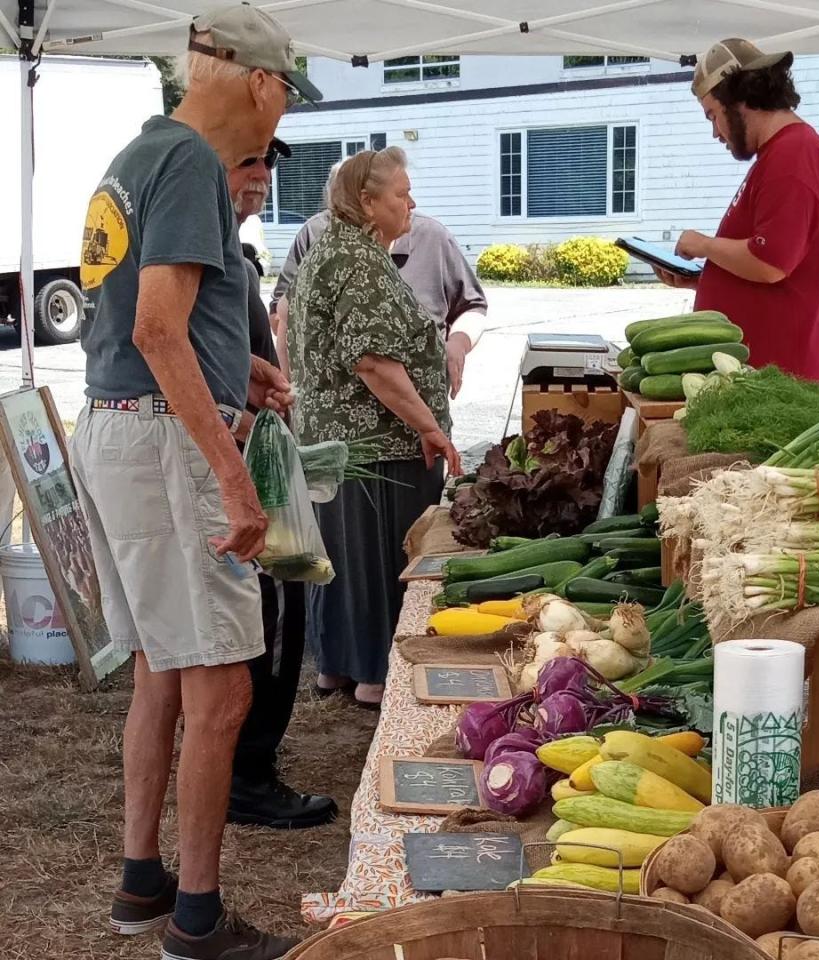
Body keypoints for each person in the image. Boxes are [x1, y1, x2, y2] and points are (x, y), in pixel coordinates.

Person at [71, 6, 322, 959]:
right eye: (287, 90)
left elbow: (146, 324)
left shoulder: (137, 156)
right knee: (221, 692)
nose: (281, 113)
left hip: (115, 425)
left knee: (162, 673)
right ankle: (198, 922)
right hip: (169, 444)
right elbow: (156, 327)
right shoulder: (189, 163)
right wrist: (234, 473)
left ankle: (143, 883)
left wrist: (236, 365)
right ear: (261, 83)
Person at [286, 148, 462, 708]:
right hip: (376, 448)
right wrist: (430, 426)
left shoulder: (330, 250)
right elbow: (373, 363)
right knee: (377, 558)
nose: (411, 203)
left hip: (335, 440)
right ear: (367, 202)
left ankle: (336, 665)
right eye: (400, 194)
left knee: (340, 554)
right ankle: (374, 673)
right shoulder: (358, 260)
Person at [225, 138, 338, 830]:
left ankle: (247, 766)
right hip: (236, 467)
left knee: (272, 623)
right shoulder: (207, 262)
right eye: (247, 161)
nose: (262, 175)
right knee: (264, 628)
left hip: (254, 453)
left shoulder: (235, 259)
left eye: (269, 163)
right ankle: (247, 774)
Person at [656, 39, 819, 385]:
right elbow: (773, 259)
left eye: (713, 115)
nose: (715, 132)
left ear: (741, 99)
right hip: (762, 382)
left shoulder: (794, 156)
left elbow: (770, 262)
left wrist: (704, 245)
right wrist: (703, 278)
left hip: (778, 385)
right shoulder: (780, 154)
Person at [271, 163, 487, 399]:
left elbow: (472, 306)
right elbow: (282, 314)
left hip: (422, 411)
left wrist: (458, 343)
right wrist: (291, 390)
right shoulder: (318, 236)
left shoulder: (433, 238)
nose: (411, 204)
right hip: (349, 420)